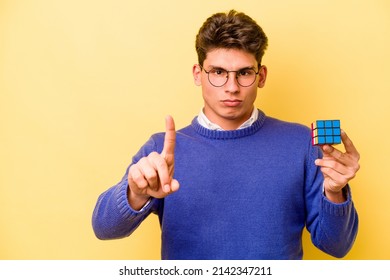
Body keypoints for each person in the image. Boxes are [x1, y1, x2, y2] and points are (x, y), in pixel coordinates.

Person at [92, 10, 360, 260]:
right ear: (198, 74)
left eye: (244, 73)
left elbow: (336, 246)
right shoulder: (162, 150)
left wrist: (334, 193)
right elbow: (104, 229)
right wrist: (135, 194)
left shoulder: (301, 143)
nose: (231, 87)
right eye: (218, 72)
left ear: (261, 76)